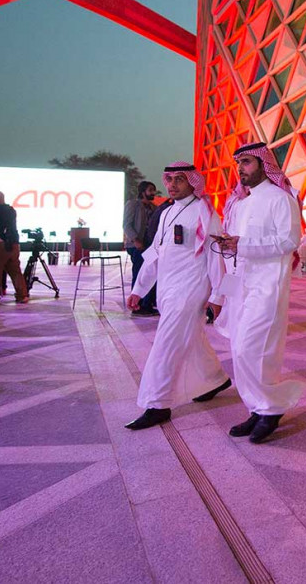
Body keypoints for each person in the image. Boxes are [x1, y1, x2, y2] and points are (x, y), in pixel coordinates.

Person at [124, 163, 232, 430]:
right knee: (191, 338)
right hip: (168, 289)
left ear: (192, 182)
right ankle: (214, 379)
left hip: (191, 289)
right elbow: (155, 253)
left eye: (179, 179)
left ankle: (157, 404)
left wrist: (218, 295)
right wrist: (139, 289)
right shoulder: (167, 212)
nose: (172, 185)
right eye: (169, 179)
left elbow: (215, 257)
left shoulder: (205, 212)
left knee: (166, 344)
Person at [216, 142, 303, 444]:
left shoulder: (281, 199)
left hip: (268, 287)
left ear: (264, 165)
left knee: (253, 349)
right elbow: (239, 244)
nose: (240, 168)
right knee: (239, 350)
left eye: (247, 162)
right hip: (242, 285)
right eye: (238, 163)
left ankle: (271, 407)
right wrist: (230, 246)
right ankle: (257, 407)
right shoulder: (243, 203)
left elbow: (289, 241)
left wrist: (243, 245)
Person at [124, 180, 158, 316]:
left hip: (149, 246)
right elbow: (126, 225)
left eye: (153, 190)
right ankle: (137, 306)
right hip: (137, 246)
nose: (153, 193)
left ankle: (148, 304)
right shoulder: (133, 204)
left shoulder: (154, 208)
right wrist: (135, 240)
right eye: (150, 190)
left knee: (150, 272)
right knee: (139, 273)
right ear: (143, 191)